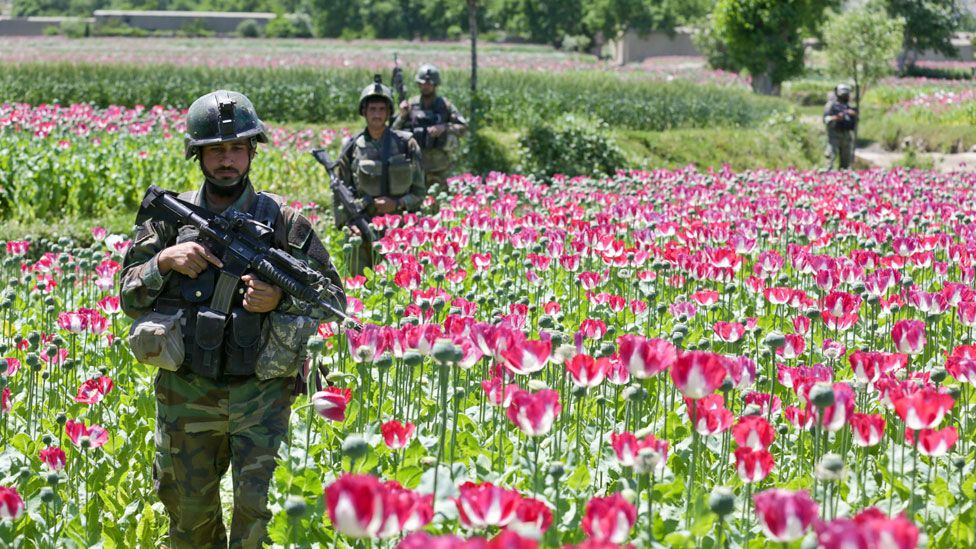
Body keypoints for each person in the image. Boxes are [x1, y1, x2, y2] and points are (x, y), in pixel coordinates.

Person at [119, 90, 346, 548]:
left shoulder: (285, 222)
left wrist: (278, 298)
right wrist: (163, 262)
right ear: (198, 155)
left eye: (237, 148)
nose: (228, 160)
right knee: (187, 516)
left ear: (252, 152)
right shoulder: (168, 221)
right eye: (216, 150)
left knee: (260, 516)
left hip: (261, 397)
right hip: (186, 393)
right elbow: (128, 295)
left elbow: (333, 301)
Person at [335, 76, 425, 275]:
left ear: (389, 112)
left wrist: (398, 203)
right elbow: (339, 193)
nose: (377, 114)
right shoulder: (351, 147)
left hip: (400, 227)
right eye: (372, 109)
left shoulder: (406, 144)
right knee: (358, 280)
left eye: (382, 109)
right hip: (362, 224)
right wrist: (348, 224)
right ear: (364, 112)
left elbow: (419, 193)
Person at [392, 63, 467, 191]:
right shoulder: (410, 104)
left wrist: (445, 127)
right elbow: (394, 130)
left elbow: (463, 128)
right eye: (422, 83)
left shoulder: (445, 105)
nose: (425, 86)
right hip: (415, 166)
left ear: (435, 84)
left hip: (440, 166)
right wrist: (403, 116)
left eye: (429, 84)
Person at [824, 83, 859, 170]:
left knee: (846, 161)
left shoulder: (849, 106)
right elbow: (826, 119)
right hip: (834, 134)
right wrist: (836, 117)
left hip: (846, 135)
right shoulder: (831, 105)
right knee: (831, 157)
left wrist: (853, 115)